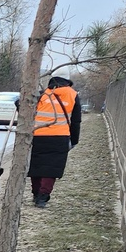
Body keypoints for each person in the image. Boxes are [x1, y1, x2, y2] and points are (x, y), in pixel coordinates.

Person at [29, 75, 81, 208]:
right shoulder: (73, 95)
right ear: (68, 82)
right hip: (60, 137)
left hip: (38, 136)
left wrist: (18, 104)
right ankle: (42, 197)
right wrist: (74, 140)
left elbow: (26, 110)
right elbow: (76, 122)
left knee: (37, 166)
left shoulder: (42, 95)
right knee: (51, 168)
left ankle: (36, 194)